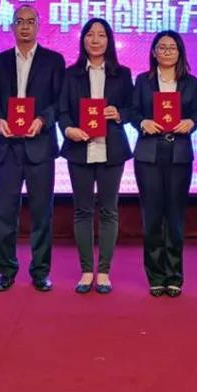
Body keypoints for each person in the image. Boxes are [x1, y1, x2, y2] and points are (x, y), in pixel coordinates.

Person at [0, 5, 65, 293]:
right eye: (19, 22)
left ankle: (40, 272)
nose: (24, 26)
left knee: (41, 214)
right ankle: (6, 271)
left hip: (39, 146)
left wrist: (42, 120)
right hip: (8, 147)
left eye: (30, 21)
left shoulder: (53, 60)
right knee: (5, 214)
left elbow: (59, 101)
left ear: (38, 26)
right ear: (11, 26)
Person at [58, 18, 134, 294]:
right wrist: (69, 129)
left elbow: (133, 109)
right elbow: (63, 110)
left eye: (101, 35)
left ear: (109, 40)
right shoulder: (71, 74)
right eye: (90, 34)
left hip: (111, 149)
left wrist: (119, 114)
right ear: (83, 40)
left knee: (109, 210)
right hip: (80, 148)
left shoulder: (122, 74)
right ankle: (86, 270)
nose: (95, 40)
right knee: (82, 210)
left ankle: (103, 271)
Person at [131, 31, 197, 297]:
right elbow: (132, 111)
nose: (167, 51)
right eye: (162, 47)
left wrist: (191, 122)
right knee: (152, 216)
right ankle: (155, 275)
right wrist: (142, 122)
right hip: (149, 153)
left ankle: (174, 275)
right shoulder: (143, 81)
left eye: (172, 47)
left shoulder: (190, 82)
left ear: (180, 52)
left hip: (179, 153)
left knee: (175, 216)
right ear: (154, 52)